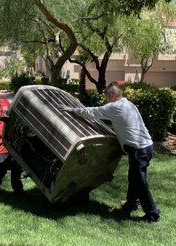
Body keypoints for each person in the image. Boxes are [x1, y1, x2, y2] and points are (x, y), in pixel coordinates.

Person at [62, 83, 160, 222]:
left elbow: (92, 112)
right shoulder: (129, 105)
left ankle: (152, 213)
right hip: (146, 147)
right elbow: (124, 123)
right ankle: (131, 204)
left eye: (107, 98)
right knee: (134, 177)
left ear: (112, 95)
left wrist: (72, 110)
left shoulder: (115, 106)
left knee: (140, 182)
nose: (106, 100)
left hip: (139, 149)